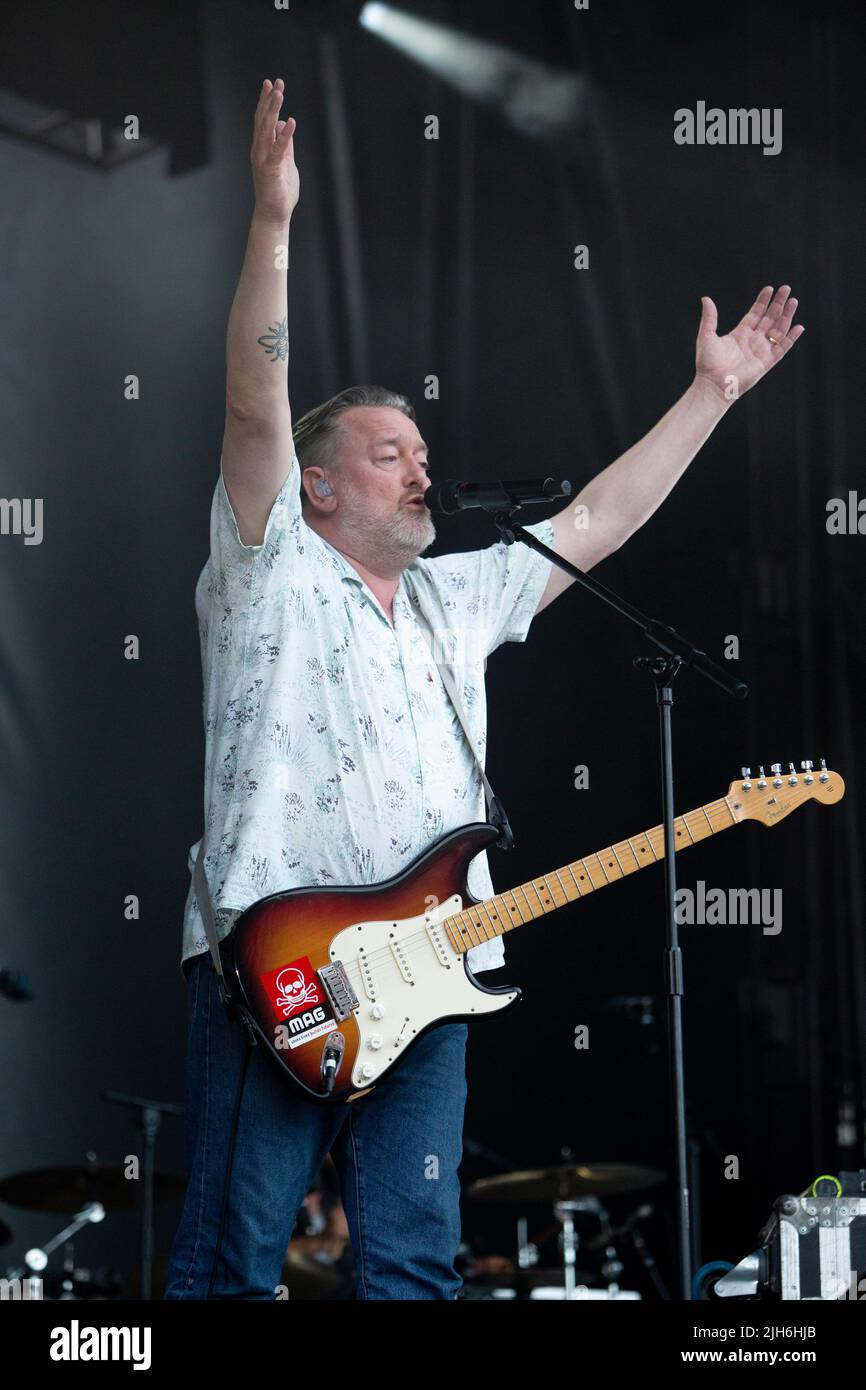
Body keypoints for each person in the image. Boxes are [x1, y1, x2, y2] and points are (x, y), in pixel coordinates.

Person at [164, 77, 803, 1301]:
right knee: (236, 1267)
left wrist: (708, 395)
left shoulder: (458, 598)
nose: (421, 470)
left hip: (429, 983)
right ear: (319, 487)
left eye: (423, 451)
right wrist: (272, 222)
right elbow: (255, 402)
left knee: (411, 1268)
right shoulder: (268, 569)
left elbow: (595, 521)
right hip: (279, 975)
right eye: (389, 453)